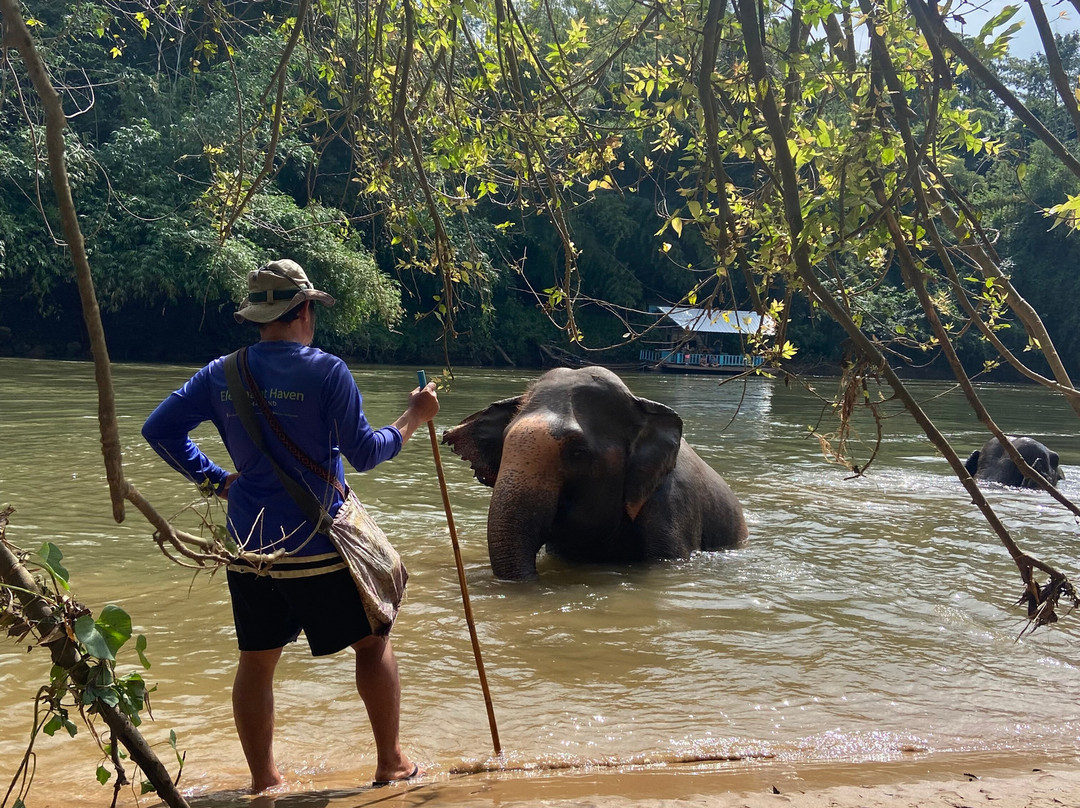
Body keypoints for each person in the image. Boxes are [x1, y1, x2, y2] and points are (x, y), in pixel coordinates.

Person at [142, 259, 438, 792]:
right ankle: (391, 764)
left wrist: (215, 481)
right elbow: (367, 454)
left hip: (251, 545)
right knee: (373, 643)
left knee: (256, 662)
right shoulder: (327, 371)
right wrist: (413, 418)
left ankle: (264, 781)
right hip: (317, 542)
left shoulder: (220, 373)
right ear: (303, 309)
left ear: (261, 316)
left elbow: (159, 430)